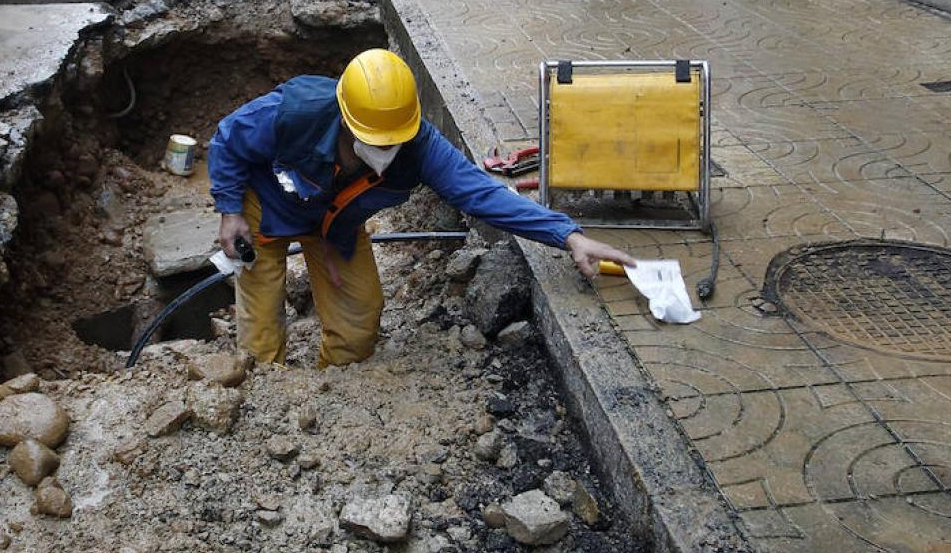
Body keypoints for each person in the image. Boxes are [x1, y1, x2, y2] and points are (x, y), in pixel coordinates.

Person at [207, 48, 634, 368]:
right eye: (375, 141)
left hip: (336, 225)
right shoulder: (293, 113)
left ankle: (330, 385)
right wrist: (230, 210)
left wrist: (568, 235)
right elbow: (228, 140)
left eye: (395, 141)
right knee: (260, 328)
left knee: (359, 323)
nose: (386, 150)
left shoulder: (419, 148)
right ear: (345, 119)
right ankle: (265, 392)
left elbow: (482, 194)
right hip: (265, 213)